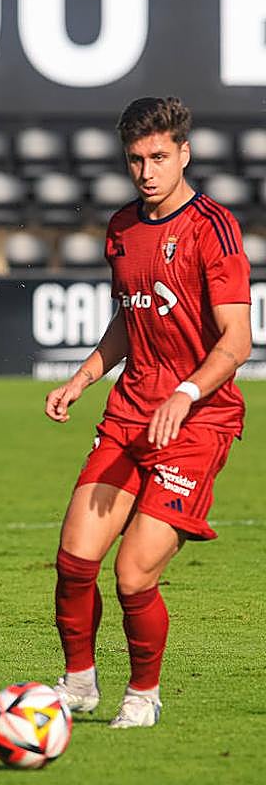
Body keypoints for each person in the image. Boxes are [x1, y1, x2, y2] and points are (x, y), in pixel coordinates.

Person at [46, 96, 251, 729]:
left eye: (159, 156)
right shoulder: (122, 228)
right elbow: (130, 319)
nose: (146, 170)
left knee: (133, 575)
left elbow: (236, 341)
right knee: (75, 559)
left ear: (184, 153)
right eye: (135, 159)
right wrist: (83, 377)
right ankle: (80, 685)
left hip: (197, 424)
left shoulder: (214, 228)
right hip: (130, 415)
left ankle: (144, 695)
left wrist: (186, 393)